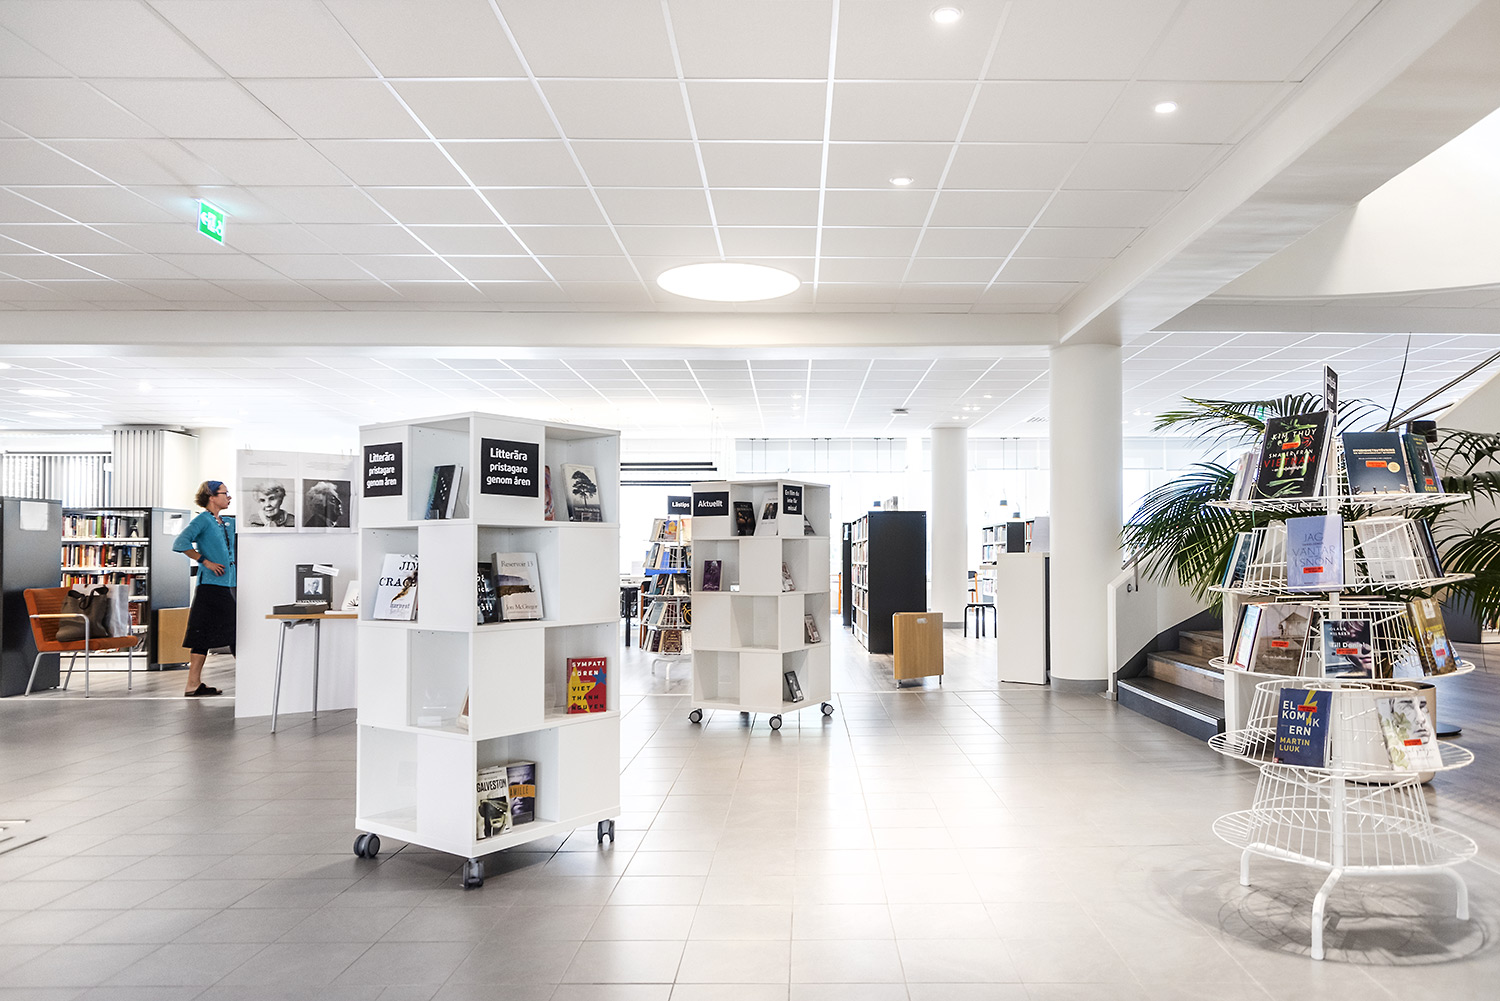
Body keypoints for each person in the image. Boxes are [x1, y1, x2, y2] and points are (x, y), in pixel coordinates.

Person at [173, 480, 237, 697]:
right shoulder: (203, 520)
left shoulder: (225, 522)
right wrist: (205, 561)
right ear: (211, 496)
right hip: (210, 586)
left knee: (203, 634)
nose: (229, 497)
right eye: (225, 493)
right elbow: (180, 543)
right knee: (236, 629)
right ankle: (251, 679)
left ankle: (193, 684)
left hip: (224, 585)